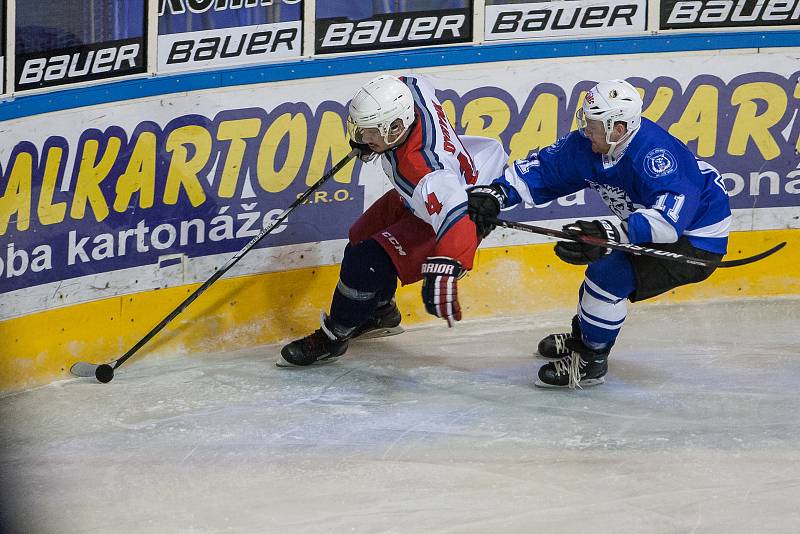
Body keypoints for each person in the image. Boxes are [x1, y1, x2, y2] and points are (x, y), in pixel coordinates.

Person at [467, 79, 732, 388]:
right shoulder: (593, 143)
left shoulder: (655, 156)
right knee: (601, 275)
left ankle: (591, 359)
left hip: (696, 238)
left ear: (617, 128)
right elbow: (546, 169)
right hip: (656, 225)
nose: (585, 129)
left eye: (592, 125)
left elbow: (668, 223)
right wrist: (497, 194)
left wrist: (610, 232)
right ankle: (587, 335)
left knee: (607, 276)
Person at [278, 73, 507, 367]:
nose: (364, 138)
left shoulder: (421, 172)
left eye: (371, 131)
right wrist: (369, 139)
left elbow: (457, 216)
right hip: (448, 187)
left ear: (397, 127)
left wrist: (452, 262)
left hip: (453, 212)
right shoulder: (412, 93)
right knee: (361, 234)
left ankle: (334, 337)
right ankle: (379, 312)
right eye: (362, 130)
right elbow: (410, 79)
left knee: (365, 260)